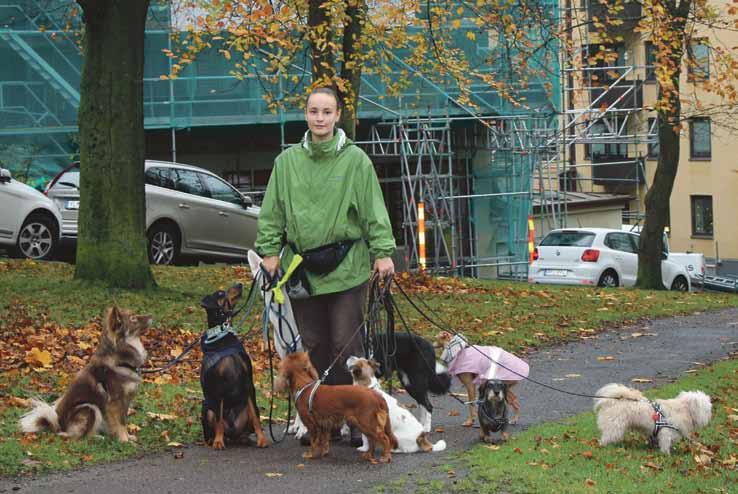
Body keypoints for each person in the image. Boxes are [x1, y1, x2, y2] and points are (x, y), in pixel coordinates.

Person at [255, 86, 396, 446]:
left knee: (345, 343)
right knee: (313, 346)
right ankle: (323, 421)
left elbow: (373, 212)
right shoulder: (286, 163)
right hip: (303, 269)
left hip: (347, 267)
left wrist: (383, 252)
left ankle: (355, 418)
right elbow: (271, 213)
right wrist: (269, 252)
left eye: (327, 112)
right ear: (306, 114)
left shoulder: (355, 161)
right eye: (314, 111)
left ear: (337, 116)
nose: (320, 118)